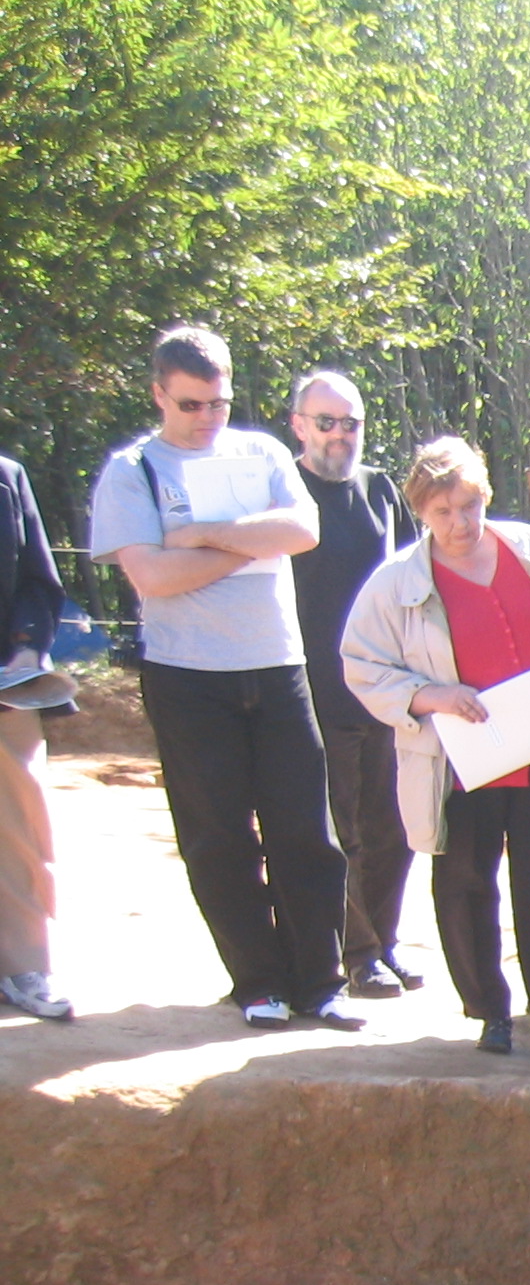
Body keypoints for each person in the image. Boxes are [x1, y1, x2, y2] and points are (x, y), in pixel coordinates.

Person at [89, 324, 358, 1031]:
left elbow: (301, 532)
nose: (208, 419)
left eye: (219, 403)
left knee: (305, 831)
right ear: (158, 395)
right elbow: (151, 575)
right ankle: (258, 982)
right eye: (191, 405)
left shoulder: (264, 453)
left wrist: (202, 536)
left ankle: (320, 982)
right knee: (218, 838)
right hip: (187, 677)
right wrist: (247, 541)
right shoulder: (131, 472)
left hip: (276, 667)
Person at [340, 438, 530, 1061]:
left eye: (468, 506)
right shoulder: (395, 584)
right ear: (421, 514)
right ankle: (490, 1011)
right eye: (442, 512)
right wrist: (429, 694)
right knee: (465, 885)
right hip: (459, 763)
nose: (459, 523)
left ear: (486, 497)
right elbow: (360, 666)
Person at [286, 368, 419, 999]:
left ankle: (384, 943)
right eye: (326, 422)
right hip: (317, 691)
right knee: (345, 833)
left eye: (351, 423)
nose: (340, 435)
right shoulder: (281, 491)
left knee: (396, 826)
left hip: (389, 690)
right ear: (299, 426)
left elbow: (415, 580)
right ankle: (357, 954)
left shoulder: (380, 490)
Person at [0, 454, 71, 1020]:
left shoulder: (8, 475)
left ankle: (26, 967)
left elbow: (37, 582)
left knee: (19, 828)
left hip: (5, 683)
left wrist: (25, 657)